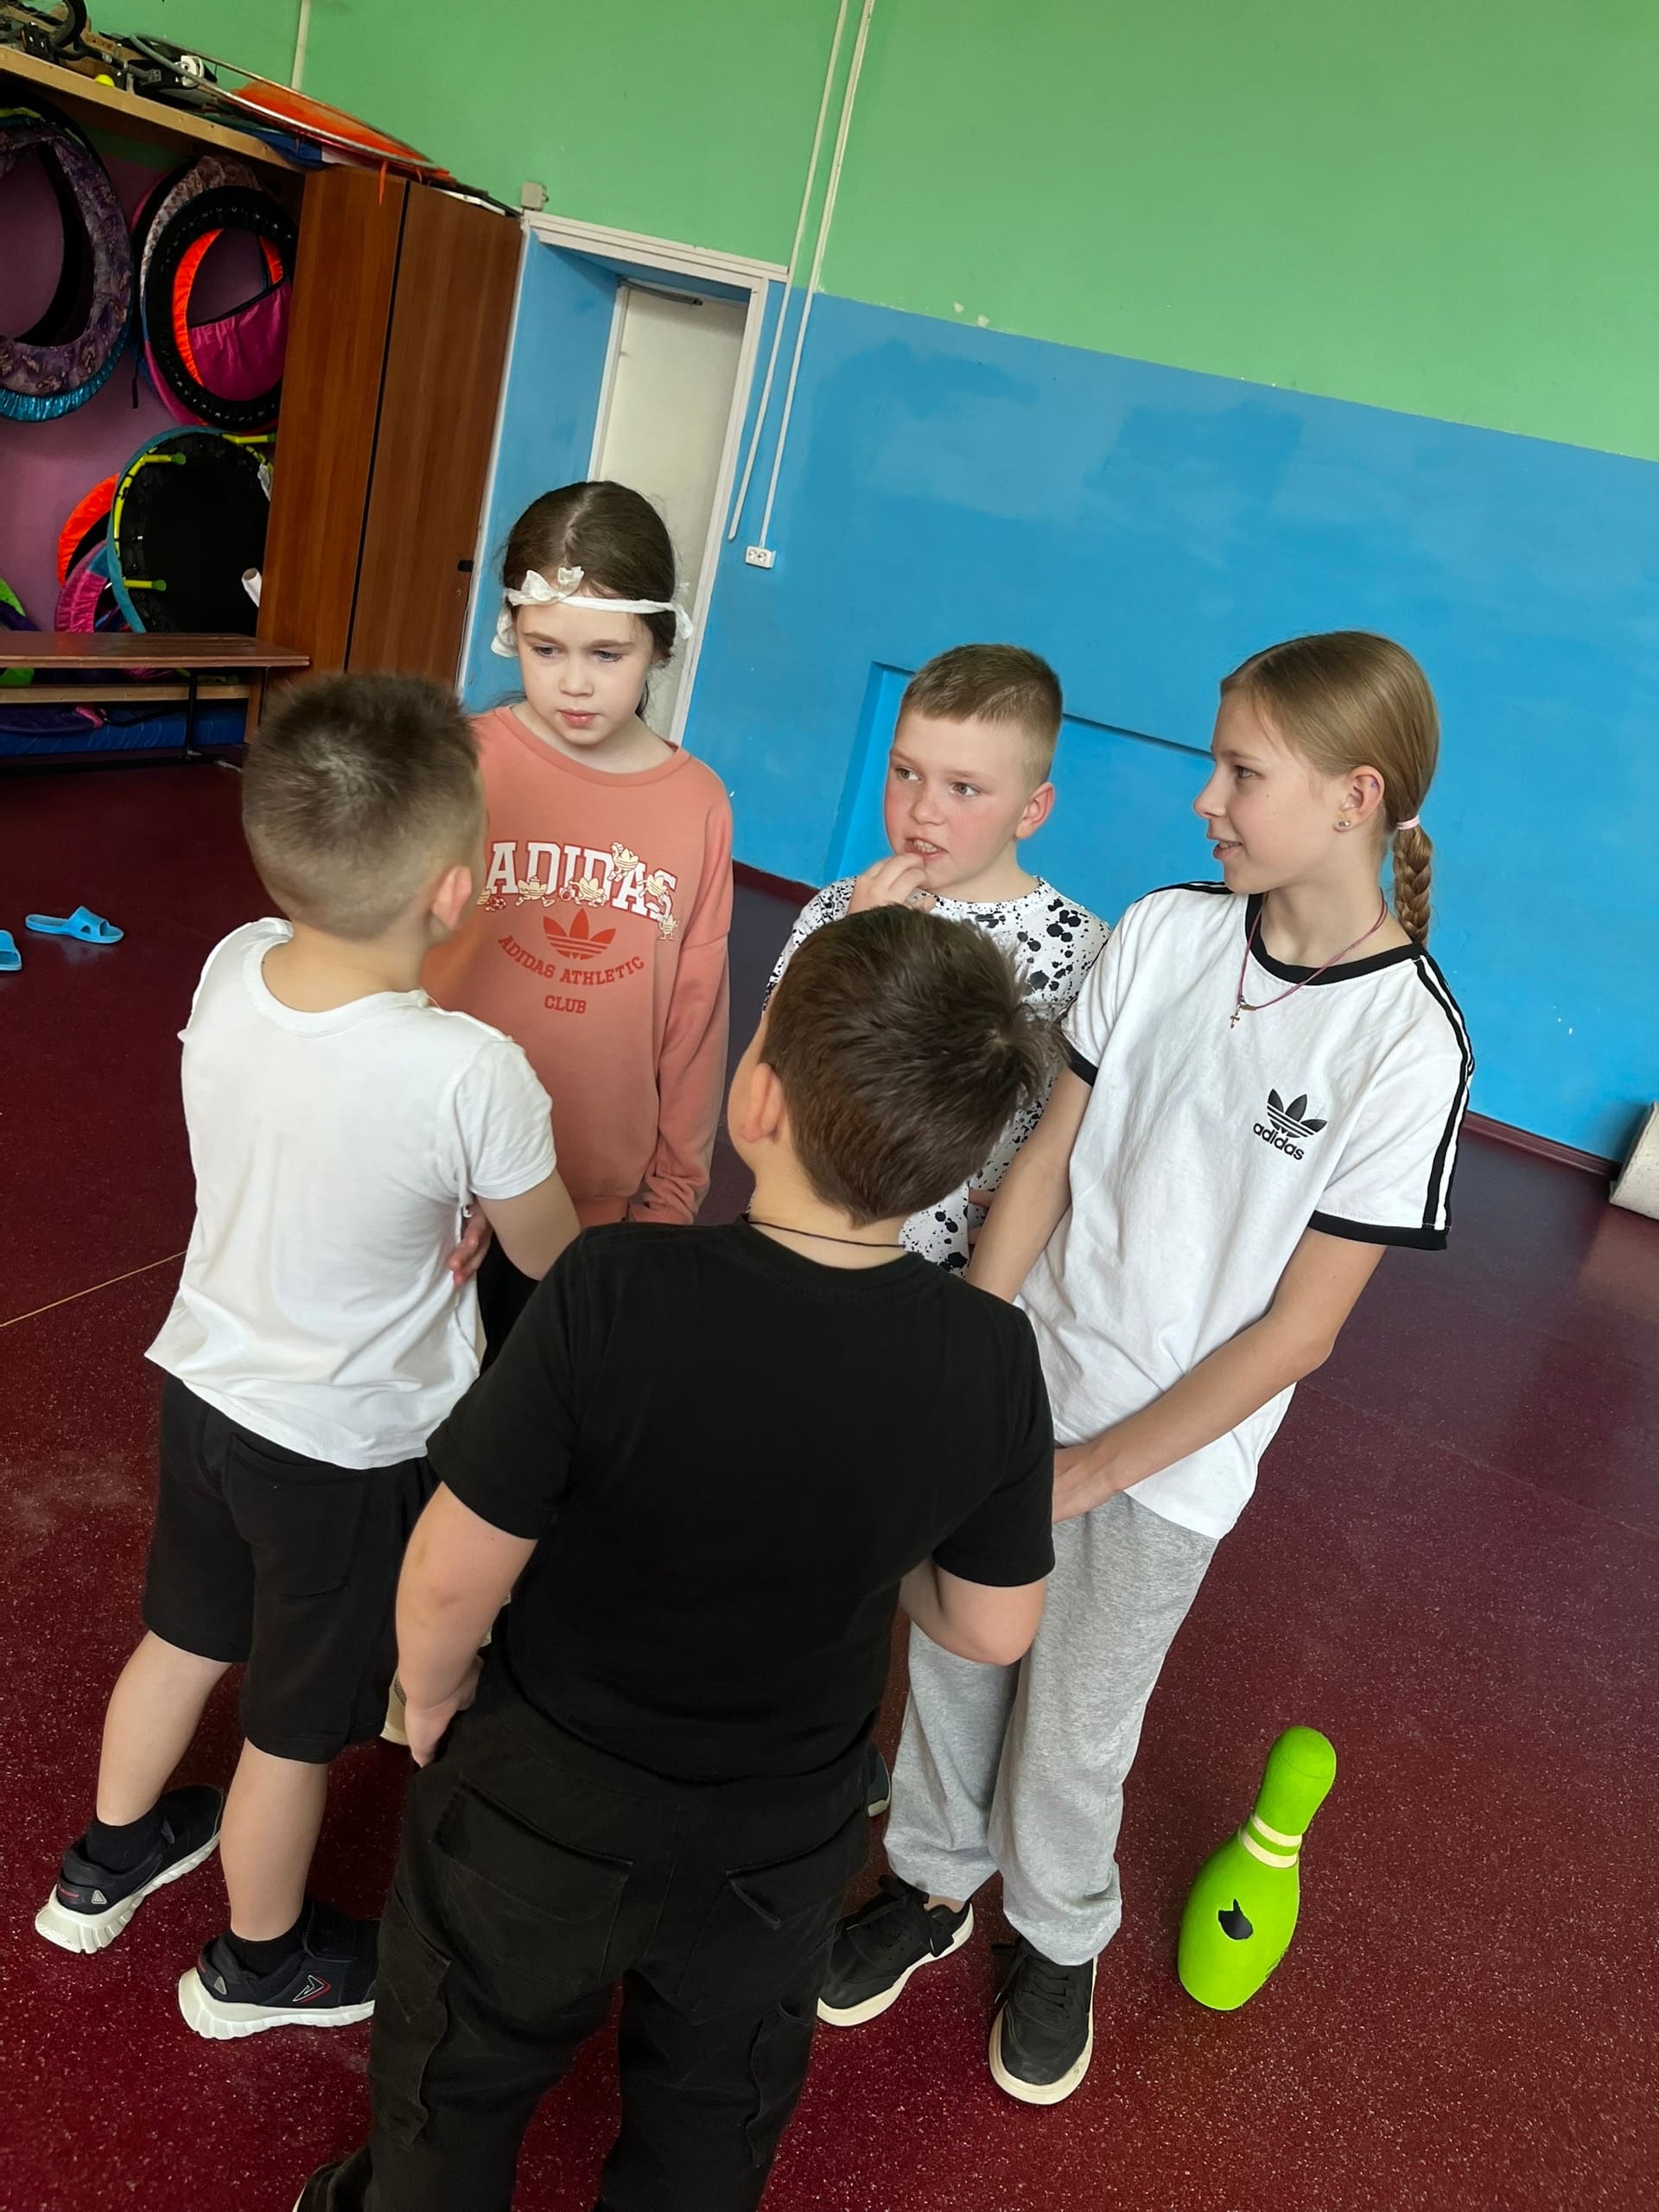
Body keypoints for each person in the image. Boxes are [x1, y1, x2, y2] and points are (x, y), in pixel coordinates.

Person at [298, 905, 1058, 2212]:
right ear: (955, 1168)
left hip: (541, 1799)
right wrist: (880, 1546)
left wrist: (431, 1687)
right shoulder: (992, 1358)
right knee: (713, 2122)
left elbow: (452, 1569)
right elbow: (995, 1626)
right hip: (777, 1840)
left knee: (453, 2078)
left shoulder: (611, 1288)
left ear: (758, 1101)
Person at [819, 630, 1473, 2105]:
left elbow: (1301, 1329)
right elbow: (1046, 1164)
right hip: (1029, 1385)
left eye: (1241, 773)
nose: (1204, 800)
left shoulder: (1410, 1047)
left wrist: (1094, 1470)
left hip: (1170, 1470)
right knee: (954, 1657)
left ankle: (1058, 1936)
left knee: (1075, 1726)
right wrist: (979, 1358)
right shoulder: (1168, 934)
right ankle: (928, 1884)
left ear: (1356, 796)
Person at [35, 675, 578, 2038]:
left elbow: (324, 1126)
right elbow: (556, 1257)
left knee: (183, 1634)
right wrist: (478, 1197)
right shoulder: (473, 1071)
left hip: (206, 1394)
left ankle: (103, 1863)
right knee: (289, 1727)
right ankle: (257, 1965)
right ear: (453, 892)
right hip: (341, 1449)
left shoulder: (233, 961)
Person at [425, 480, 734, 1352]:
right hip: (441, 1173)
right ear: (510, 631)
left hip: (596, 1194)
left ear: (659, 645)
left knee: (540, 1410)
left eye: (607, 654)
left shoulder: (699, 804)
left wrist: (672, 1196)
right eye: (545, 648)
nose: (574, 683)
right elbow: (386, 959)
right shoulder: (461, 763)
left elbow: (696, 1014)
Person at [768, 643, 1108, 1270]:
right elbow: (772, 1069)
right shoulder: (839, 910)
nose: (924, 809)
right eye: (906, 773)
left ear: (1031, 810)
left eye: (964, 788)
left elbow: (1090, 1130)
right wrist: (855, 945)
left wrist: (1038, 1215)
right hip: (809, 1232)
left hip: (962, 1271)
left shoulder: (1084, 949)